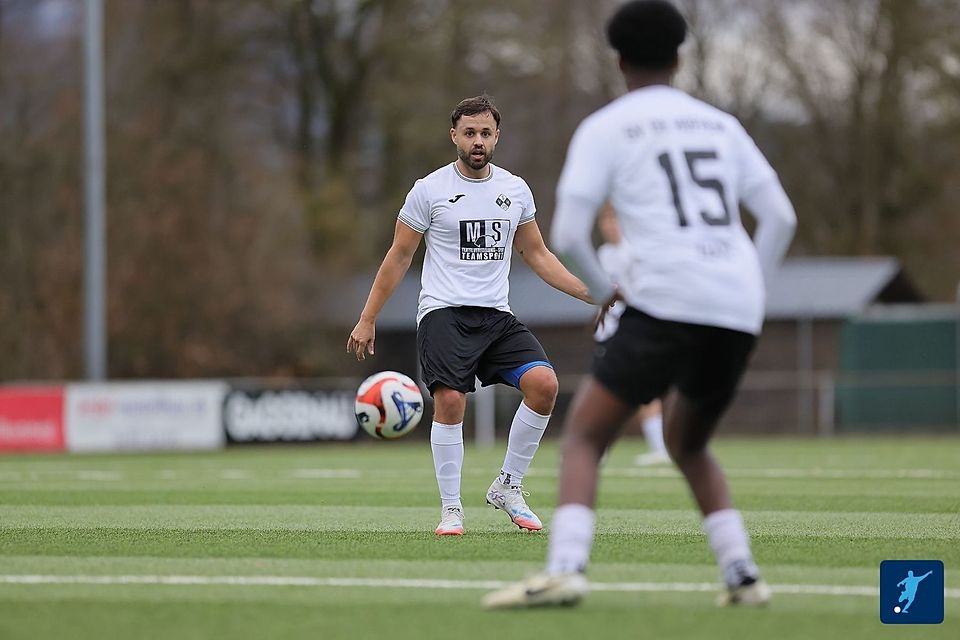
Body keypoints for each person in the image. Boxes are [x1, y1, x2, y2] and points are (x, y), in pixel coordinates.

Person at [483, 0, 796, 609]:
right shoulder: (721, 125)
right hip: (735, 307)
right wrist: (749, 289)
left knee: (585, 435)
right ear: (679, 57)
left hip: (664, 298)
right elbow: (781, 218)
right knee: (689, 443)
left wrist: (606, 293)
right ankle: (742, 574)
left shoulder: (606, 127)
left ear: (619, 60)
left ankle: (565, 568)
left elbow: (569, 232)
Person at [347, 95, 593, 536]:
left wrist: (589, 293)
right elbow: (399, 256)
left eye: (485, 133)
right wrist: (368, 318)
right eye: (469, 133)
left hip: (496, 315)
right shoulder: (429, 190)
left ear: (497, 137)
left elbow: (537, 254)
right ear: (454, 136)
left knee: (544, 385)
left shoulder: (515, 190)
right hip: (443, 313)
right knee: (450, 400)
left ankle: (508, 486)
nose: (478, 141)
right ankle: (452, 509)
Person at [595, 205, 669, 466]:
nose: (610, 226)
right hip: (608, 332)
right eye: (606, 221)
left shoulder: (634, 252)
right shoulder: (603, 255)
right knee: (606, 388)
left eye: (614, 220)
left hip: (631, 330)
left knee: (638, 388)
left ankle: (659, 448)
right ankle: (598, 446)